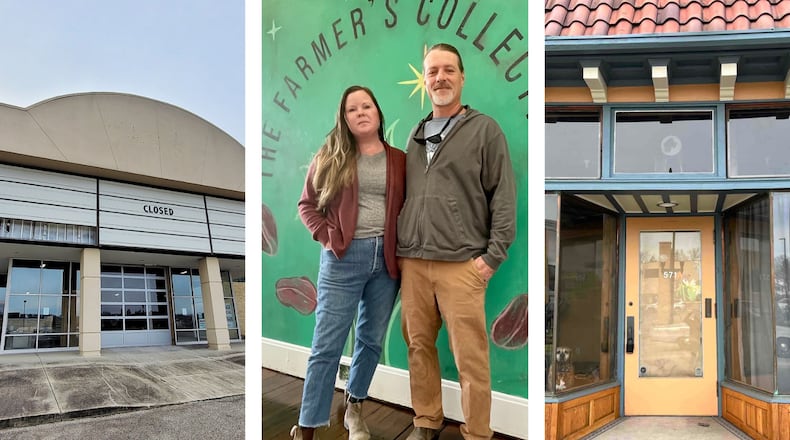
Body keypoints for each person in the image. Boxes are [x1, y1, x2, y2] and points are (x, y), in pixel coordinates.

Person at [397, 43, 516, 440]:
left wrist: (490, 258)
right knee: (418, 348)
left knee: (471, 359)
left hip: (463, 266)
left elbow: (503, 196)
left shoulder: (485, 130)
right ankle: (426, 420)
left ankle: (477, 433)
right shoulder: (414, 137)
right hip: (413, 263)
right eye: (433, 71)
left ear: (462, 78)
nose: (440, 78)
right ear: (425, 81)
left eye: (449, 70)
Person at [293, 85, 406, 440]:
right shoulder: (331, 155)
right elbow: (307, 205)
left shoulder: (400, 159)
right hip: (342, 259)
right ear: (344, 119)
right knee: (327, 345)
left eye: (366, 106)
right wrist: (329, 237)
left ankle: (354, 406)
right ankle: (308, 426)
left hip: (385, 260)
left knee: (370, 340)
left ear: (377, 112)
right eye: (352, 109)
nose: (360, 112)